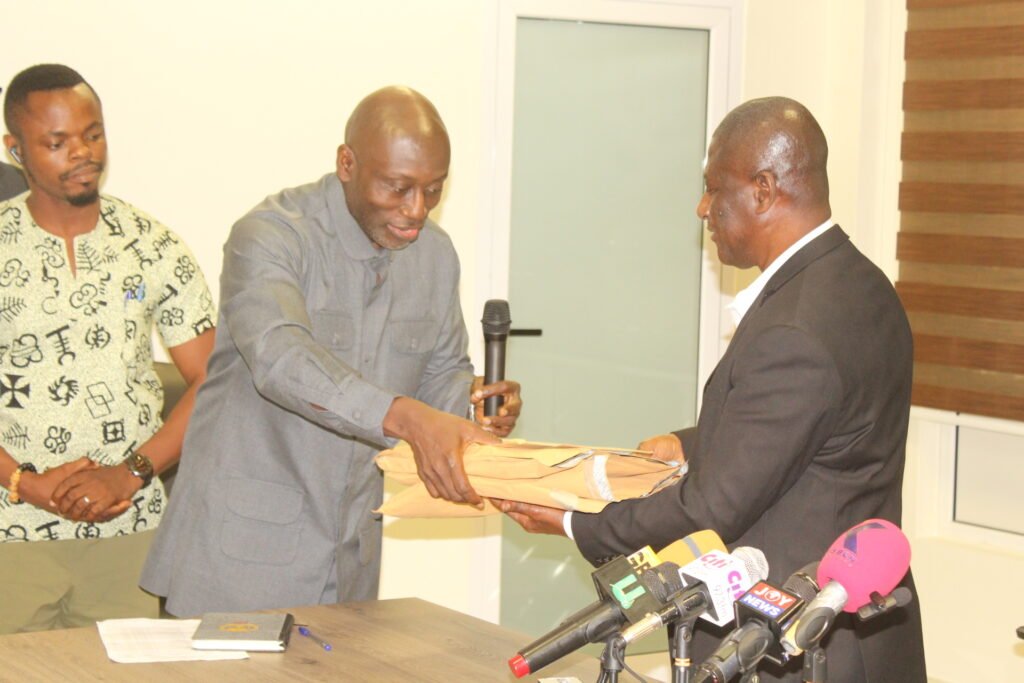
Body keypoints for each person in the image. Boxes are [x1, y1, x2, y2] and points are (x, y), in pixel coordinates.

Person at [498, 97, 927, 682]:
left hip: (791, 648)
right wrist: (688, 443)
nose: (702, 207)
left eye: (713, 188)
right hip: (866, 635)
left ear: (764, 189)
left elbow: (710, 508)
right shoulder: (863, 286)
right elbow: (815, 428)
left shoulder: (794, 329)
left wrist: (575, 519)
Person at [141, 86, 522, 616]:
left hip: (351, 558)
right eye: (398, 187)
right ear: (347, 163)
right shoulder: (271, 235)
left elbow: (441, 372)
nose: (417, 210)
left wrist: (468, 404)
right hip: (240, 559)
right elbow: (280, 357)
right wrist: (408, 418)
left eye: (433, 190)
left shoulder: (434, 255)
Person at [0, 64, 215, 632]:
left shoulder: (153, 246)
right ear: (15, 148)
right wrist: (24, 482)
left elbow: (214, 381)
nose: (82, 153)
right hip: (10, 532)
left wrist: (131, 472)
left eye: (92, 134)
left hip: (129, 530)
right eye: (57, 141)